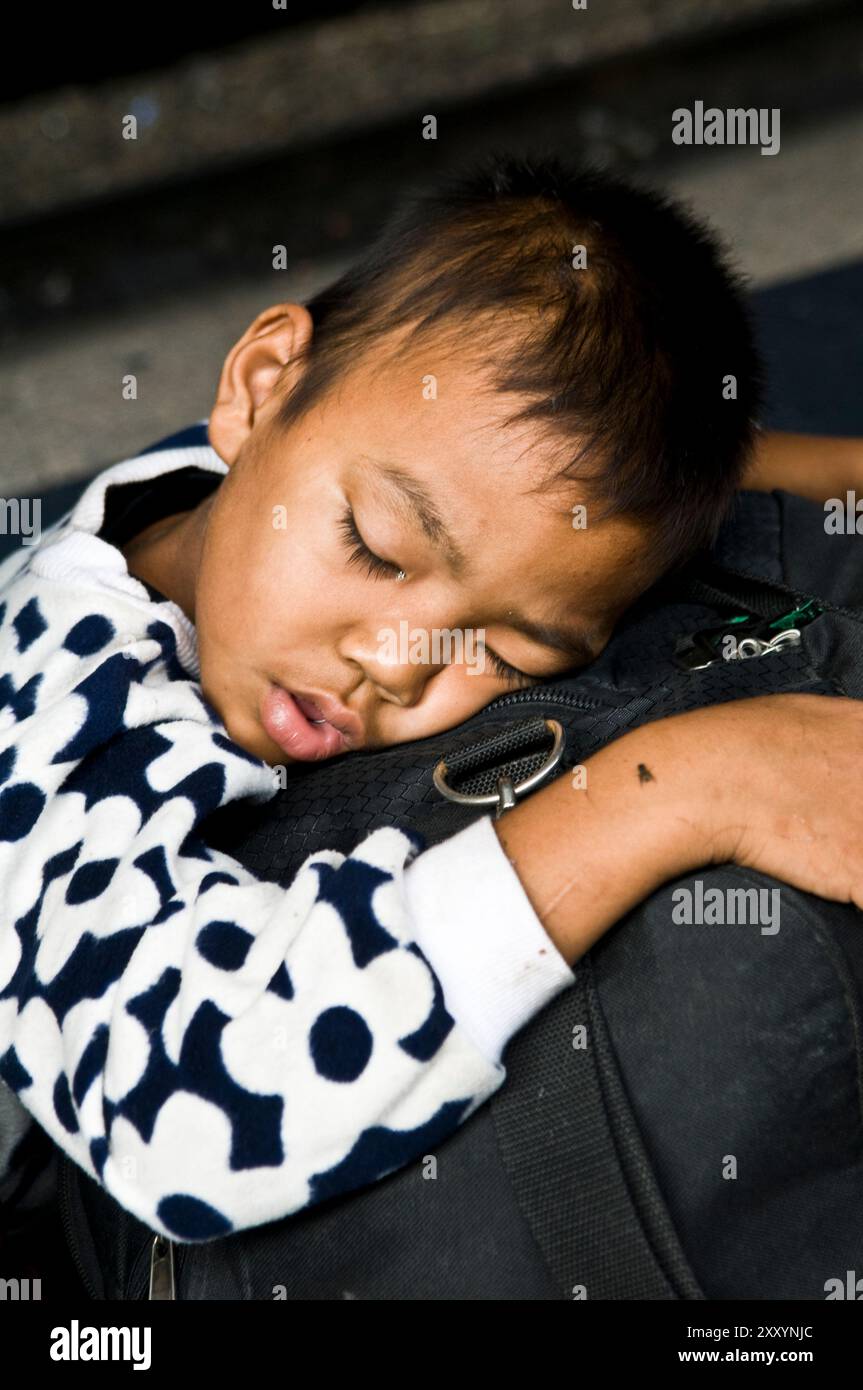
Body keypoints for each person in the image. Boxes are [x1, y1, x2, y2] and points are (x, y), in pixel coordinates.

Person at [1, 154, 862, 1245]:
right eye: (376, 547)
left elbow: (578, 504)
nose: (403, 662)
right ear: (259, 386)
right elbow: (193, 1121)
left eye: (506, 646)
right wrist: (693, 784)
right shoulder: (51, 708)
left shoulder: (327, 458)